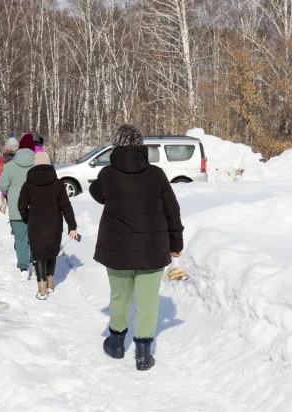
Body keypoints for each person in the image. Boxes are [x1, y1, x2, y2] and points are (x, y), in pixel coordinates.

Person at [90, 123, 184, 371]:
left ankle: (117, 345)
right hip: (152, 249)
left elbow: (96, 194)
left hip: (117, 249)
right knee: (147, 301)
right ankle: (143, 355)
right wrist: (176, 244)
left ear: (116, 144)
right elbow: (171, 211)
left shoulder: (107, 174)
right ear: (141, 146)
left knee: (119, 297)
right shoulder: (156, 174)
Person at [18, 151, 77, 300]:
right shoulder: (58, 184)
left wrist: (27, 219)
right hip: (54, 225)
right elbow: (66, 206)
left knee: (38, 255)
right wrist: (72, 225)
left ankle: (42, 290)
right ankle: (51, 284)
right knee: (51, 252)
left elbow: (21, 205)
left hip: (35, 225)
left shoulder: (28, 184)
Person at [0, 133, 36, 281]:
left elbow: (2, 185)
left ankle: (23, 269)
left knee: (20, 238)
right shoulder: (38, 164)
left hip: (16, 207)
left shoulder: (11, 165)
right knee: (34, 237)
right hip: (35, 207)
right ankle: (35, 262)